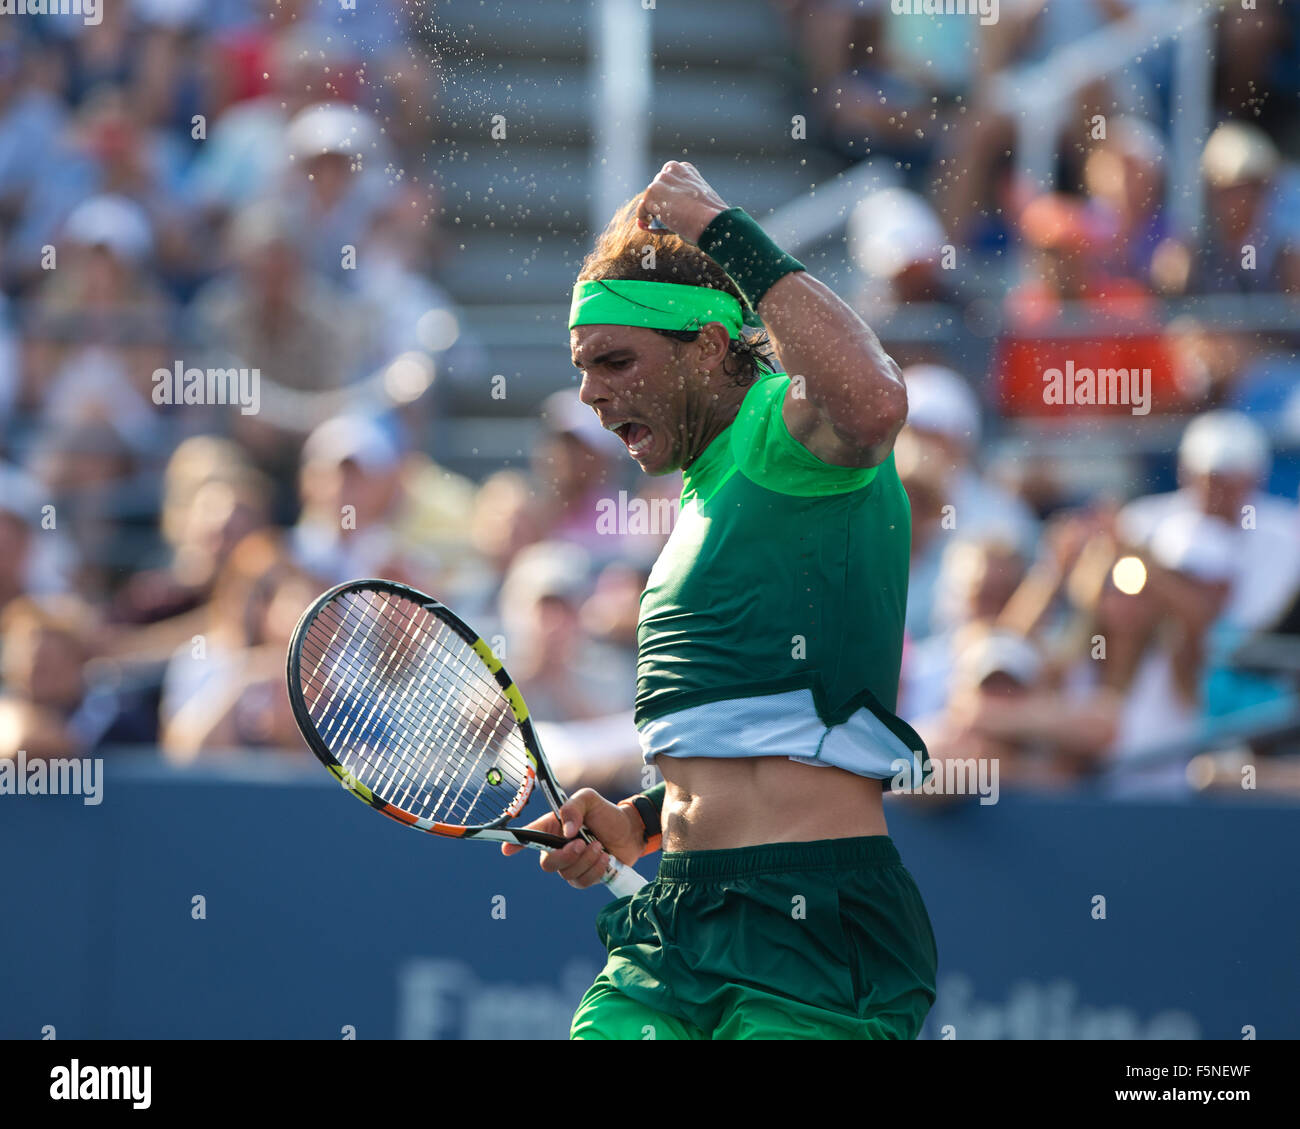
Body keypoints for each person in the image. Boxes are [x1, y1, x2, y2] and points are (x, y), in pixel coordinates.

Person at [503, 161, 937, 1040]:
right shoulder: (702, 490)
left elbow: (873, 399)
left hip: (814, 917)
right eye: (583, 369)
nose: (591, 393)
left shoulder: (786, 429)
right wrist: (638, 821)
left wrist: (714, 225)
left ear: (707, 344)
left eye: (616, 360)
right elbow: (753, 737)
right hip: (676, 922)